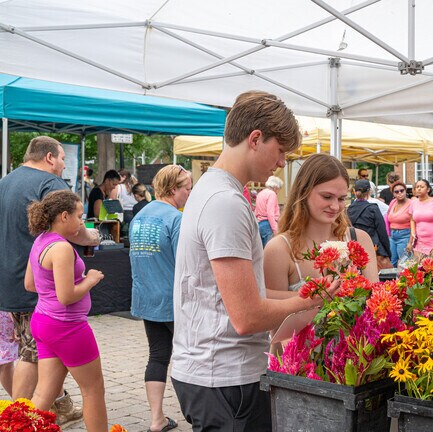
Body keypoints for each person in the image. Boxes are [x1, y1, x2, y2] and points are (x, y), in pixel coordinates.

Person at [171, 91, 338, 431]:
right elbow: (246, 317)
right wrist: (305, 300)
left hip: (214, 374)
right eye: (280, 152)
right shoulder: (226, 202)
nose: (280, 163)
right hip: (226, 377)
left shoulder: (215, 190)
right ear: (255, 139)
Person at [0, 136, 99, 423]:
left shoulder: (5, 182)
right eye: (62, 158)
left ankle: (40, 413)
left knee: (33, 359)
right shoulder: (52, 185)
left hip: (9, 283)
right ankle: (16, 421)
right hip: (40, 291)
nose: (64, 164)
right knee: (30, 358)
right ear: (49, 158)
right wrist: (92, 237)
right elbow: (71, 227)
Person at [25, 190, 107, 431]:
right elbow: (66, 296)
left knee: (43, 394)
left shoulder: (40, 240)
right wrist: (90, 279)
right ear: (63, 216)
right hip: (66, 326)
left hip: (44, 322)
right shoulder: (61, 248)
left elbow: (30, 284)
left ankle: (18, 427)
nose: (82, 222)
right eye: (79, 216)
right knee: (93, 389)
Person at [130, 165, 192, 432]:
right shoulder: (176, 219)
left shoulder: (139, 217)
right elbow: (185, 264)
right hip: (173, 301)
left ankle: (157, 419)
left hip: (146, 299)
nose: (190, 193)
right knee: (187, 358)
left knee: (157, 356)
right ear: (173, 189)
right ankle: (197, 414)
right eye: (187, 188)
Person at [265, 155, 379, 295]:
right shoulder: (279, 249)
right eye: (327, 197)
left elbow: (375, 301)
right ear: (304, 192)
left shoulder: (360, 239)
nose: (335, 206)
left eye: (342, 198)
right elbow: (273, 312)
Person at [348, 179, 391, 269]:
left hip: (356, 249)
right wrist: (387, 251)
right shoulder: (373, 208)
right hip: (374, 247)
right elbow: (382, 232)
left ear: (354, 192)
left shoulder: (349, 209)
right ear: (369, 191)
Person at [408, 179, 433, 258]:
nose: (419, 189)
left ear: (428, 189)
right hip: (419, 240)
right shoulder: (413, 203)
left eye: (422, 187)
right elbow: (412, 220)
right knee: (419, 267)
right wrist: (412, 236)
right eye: (417, 187)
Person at [386, 181, 412, 267]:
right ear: (393, 193)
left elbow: (414, 223)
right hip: (392, 236)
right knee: (392, 261)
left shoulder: (411, 203)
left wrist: (411, 242)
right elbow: (387, 217)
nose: (399, 193)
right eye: (396, 191)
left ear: (405, 191)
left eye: (402, 190)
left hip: (405, 235)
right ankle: (393, 280)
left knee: (404, 262)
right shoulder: (393, 202)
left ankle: (404, 280)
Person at [255, 176, 283, 247]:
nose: (278, 191)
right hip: (268, 225)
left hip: (260, 224)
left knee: (262, 251)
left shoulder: (260, 193)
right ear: (276, 187)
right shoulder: (272, 194)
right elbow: (270, 213)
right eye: (279, 188)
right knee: (269, 250)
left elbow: (256, 211)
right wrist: (275, 229)